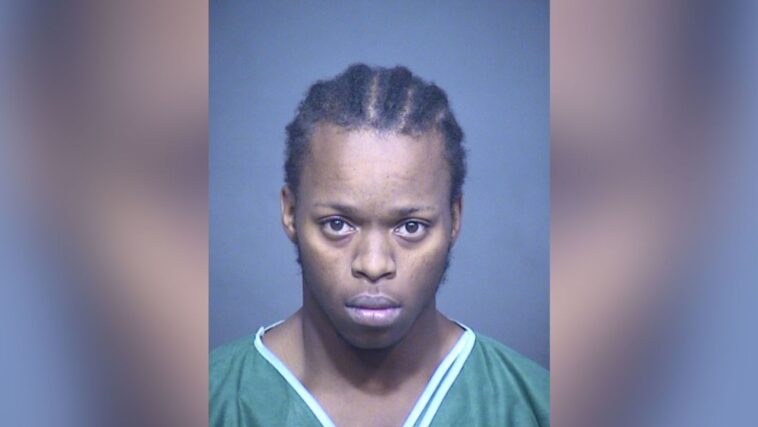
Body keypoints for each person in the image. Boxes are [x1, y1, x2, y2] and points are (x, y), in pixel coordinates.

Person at [210, 64, 549, 426]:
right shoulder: (212, 401)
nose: (373, 265)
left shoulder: (536, 405)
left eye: (411, 227)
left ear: (455, 218)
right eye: (337, 224)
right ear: (291, 213)